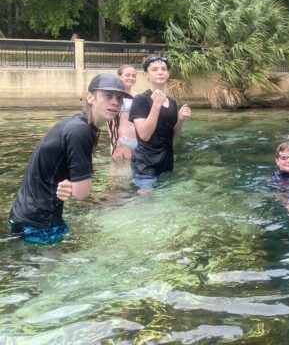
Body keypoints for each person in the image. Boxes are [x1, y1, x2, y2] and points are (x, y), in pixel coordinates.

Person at [8, 74, 132, 244]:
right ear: (90, 98)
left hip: (24, 214)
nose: (115, 102)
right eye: (108, 96)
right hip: (40, 223)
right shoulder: (81, 131)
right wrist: (75, 185)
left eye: (119, 98)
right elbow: (82, 193)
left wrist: (70, 183)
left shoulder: (76, 123)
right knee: (51, 269)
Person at [129, 56, 191, 190]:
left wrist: (180, 120)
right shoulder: (140, 100)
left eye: (164, 69)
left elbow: (172, 137)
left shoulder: (172, 102)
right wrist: (156, 105)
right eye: (155, 69)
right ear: (146, 75)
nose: (160, 72)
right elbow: (144, 135)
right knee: (145, 201)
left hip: (167, 161)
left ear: (168, 74)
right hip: (146, 162)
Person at [109, 64, 138, 161]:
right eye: (127, 75)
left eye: (134, 76)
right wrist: (116, 144)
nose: (131, 78)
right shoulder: (115, 97)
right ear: (119, 77)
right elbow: (110, 122)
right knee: (120, 175)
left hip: (139, 142)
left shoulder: (138, 97)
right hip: (122, 142)